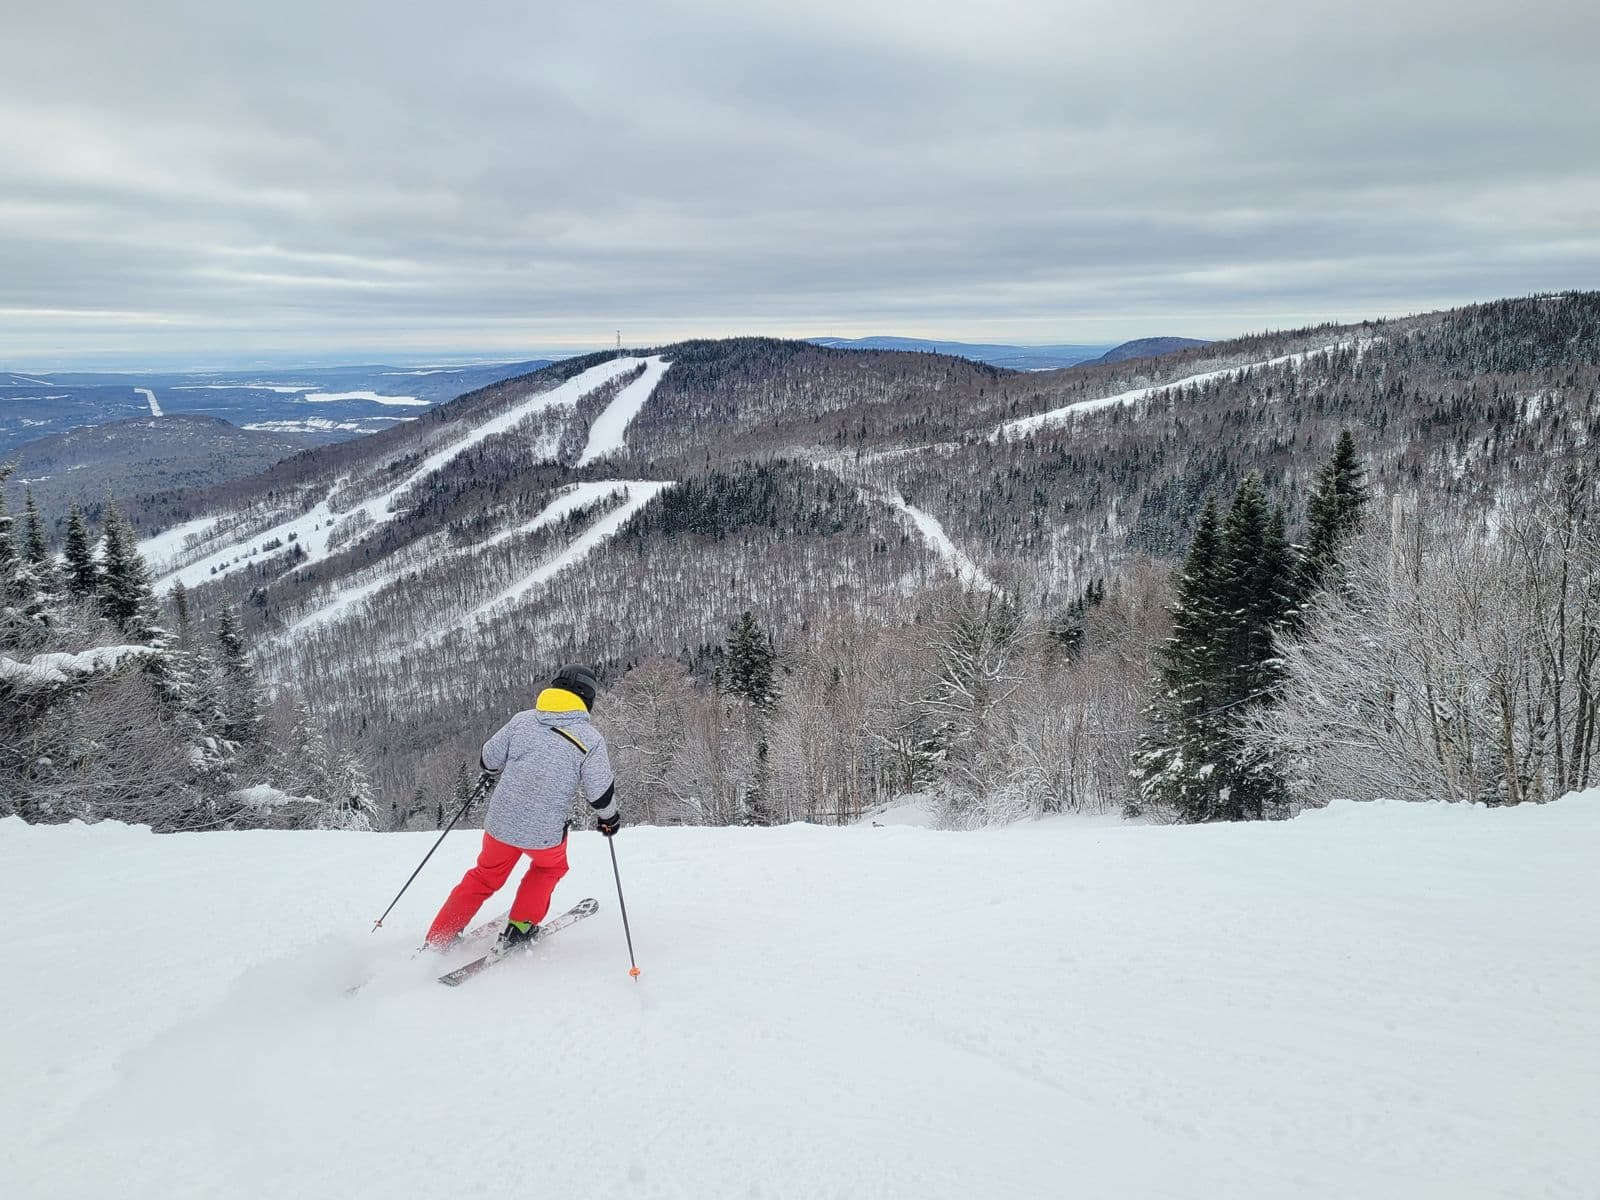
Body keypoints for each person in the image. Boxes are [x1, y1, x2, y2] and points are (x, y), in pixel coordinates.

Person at [425, 664, 621, 952]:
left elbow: (489, 759)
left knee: (484, 875)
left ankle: (440, 936)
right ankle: (521, 926)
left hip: (499, 824)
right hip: (543, 833)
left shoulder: (523, 721)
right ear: (587, 698)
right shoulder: (589, 739)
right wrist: (610, 819)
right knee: (549, 868)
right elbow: (600, 793)